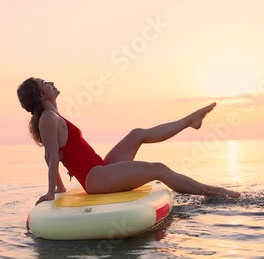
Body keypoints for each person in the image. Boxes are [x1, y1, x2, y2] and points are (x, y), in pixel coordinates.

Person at [17, 77, 240, 205]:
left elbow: (55, 154)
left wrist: (60, 188)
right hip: (96, 178)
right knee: (159, 169)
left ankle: (189, 121)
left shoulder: (53, 116)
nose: (51, 82)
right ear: (39, 95)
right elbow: (51, 155)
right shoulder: (47, 118)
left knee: (136, 134)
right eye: (44, 82)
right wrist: (53, 191)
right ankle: (217, 193)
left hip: (99, 169)